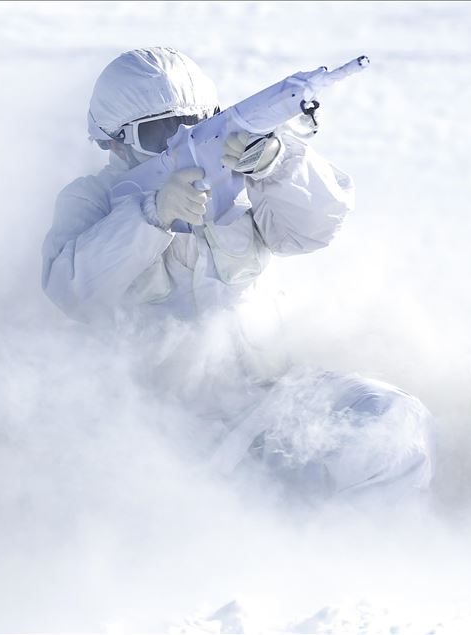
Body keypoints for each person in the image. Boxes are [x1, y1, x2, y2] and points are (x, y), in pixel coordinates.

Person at [41, 47, 433, 504]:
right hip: (158, 430)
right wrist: (150, 216)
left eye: (200, 123)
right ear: (114, 141)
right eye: (163, 131)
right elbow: (71, 289)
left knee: (391, 425)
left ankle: (360, 564)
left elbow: (311, 231)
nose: (185, 142)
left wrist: (277, 164)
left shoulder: (241, 173)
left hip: (269, 403)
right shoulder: (93, 199)